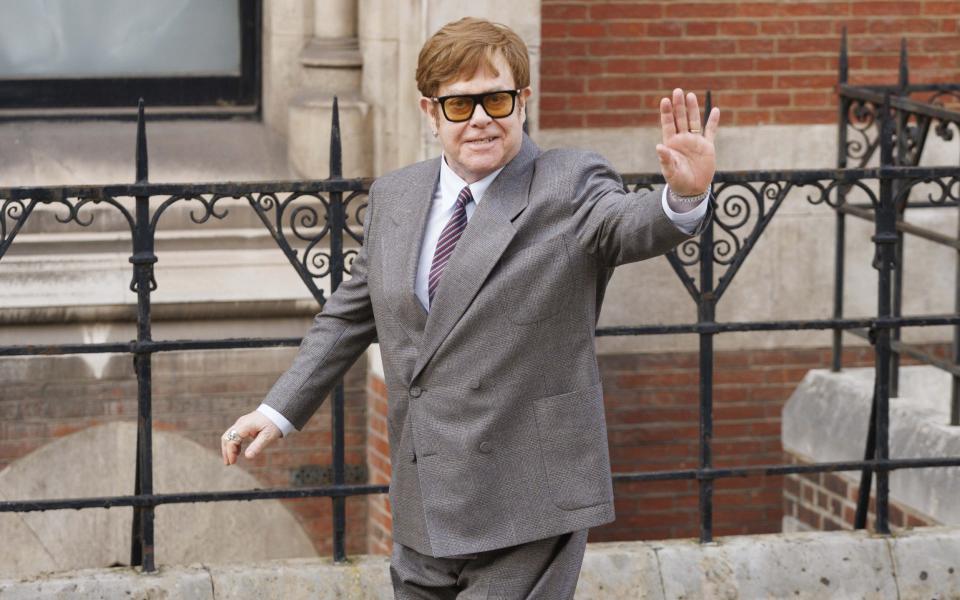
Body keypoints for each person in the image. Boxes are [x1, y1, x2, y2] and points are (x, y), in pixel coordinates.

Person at [221, 16, 719, 599]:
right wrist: (277, 409)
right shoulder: (396, 196)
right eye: (460, 105)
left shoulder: (569, 183)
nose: (481, 118)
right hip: (426, 495)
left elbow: (629, 226)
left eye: (497, 99)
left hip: (527, 498)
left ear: (523, 102)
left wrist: (682, 198)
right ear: (430, 113)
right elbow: (351, 314)